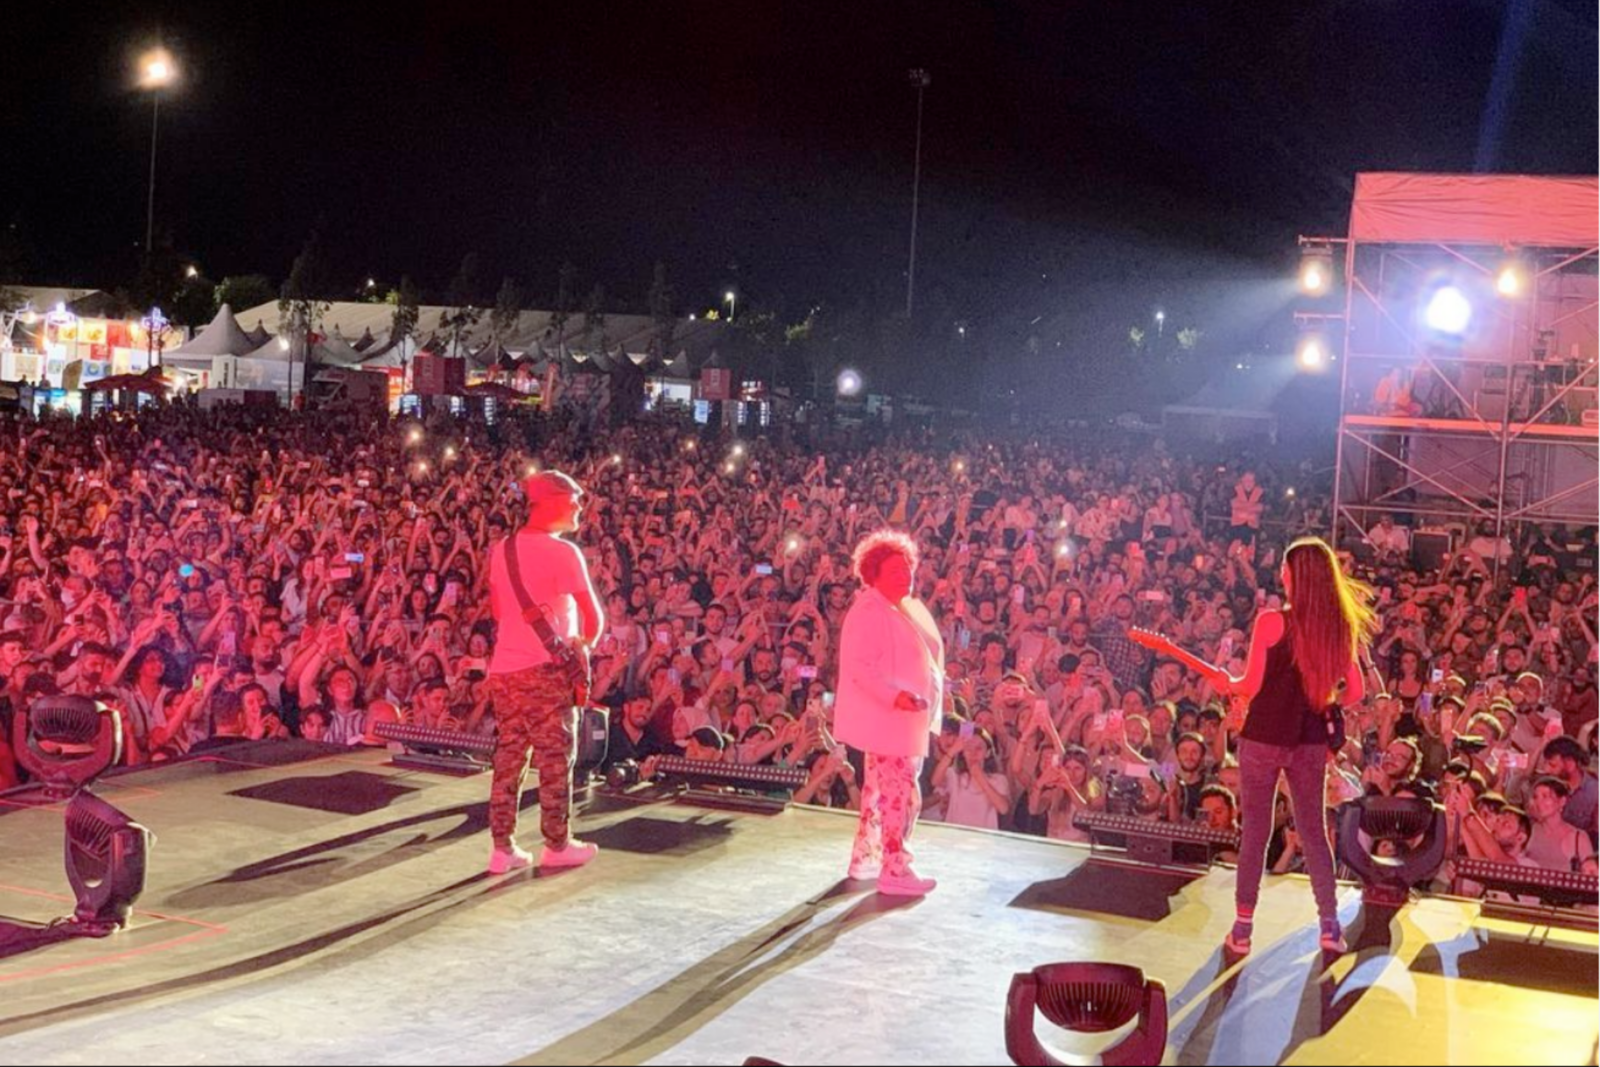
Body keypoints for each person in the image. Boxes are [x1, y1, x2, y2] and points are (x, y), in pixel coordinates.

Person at [1221, 537, 1376, 956]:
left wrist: (1229, 684)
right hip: (1308, 742)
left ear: (1295, 576)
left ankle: (1242, 928)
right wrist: (1322, 699)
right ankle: (1329, 925)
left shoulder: (1272, 623)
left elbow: (1250, 685)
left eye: (1286, 570)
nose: (1282, 576)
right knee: (1313, 831)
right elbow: (1357, 691)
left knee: (1255, 830)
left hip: (1262, 737)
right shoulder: (1339, 628)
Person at [484, 470, 605, 875]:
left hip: (504, 668)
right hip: (545, 672)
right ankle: (557, 843)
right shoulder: (563, 552)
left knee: (509, 758)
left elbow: (500, 612)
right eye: (572, 500)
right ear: (547, 502)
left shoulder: (502, 549)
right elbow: (593, 619)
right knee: (555, 759)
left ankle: (502, 849)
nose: (578, 507)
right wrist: (579, 646)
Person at [833, 529, 944, 897]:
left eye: (908, 568)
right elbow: (859, 667)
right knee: (897, 795)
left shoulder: (898, 609)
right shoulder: (870, 609)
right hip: (890, 722)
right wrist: (895, 696)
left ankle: (871, 860)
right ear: (874, 572)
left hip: (900, 722)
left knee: (883, 794)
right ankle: (895, 867)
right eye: (895, 569)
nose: (906, 576)